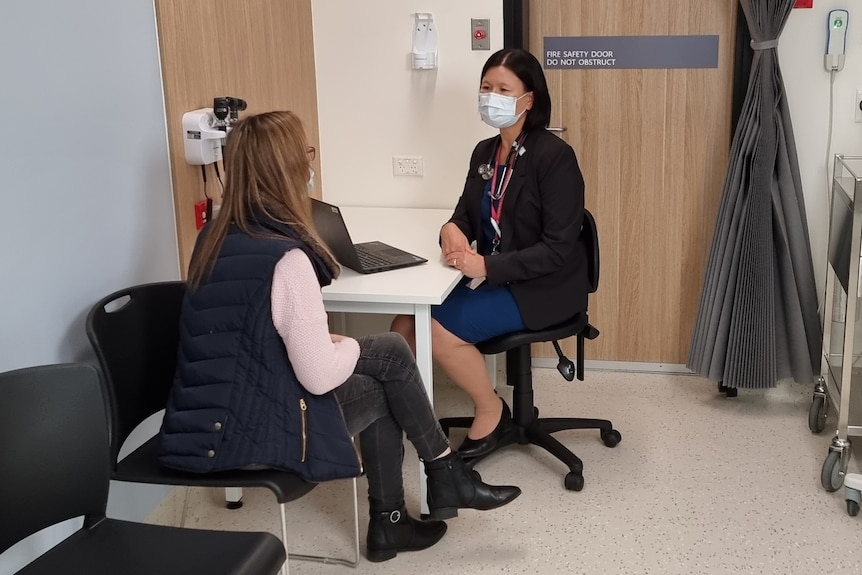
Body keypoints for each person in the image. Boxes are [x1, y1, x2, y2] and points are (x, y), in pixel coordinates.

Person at [157, 111, 521, 562]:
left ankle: (430, 487)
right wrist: (341, 343)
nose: (311, 165)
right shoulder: (286, 259)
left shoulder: (212, 237)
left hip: (202, 421)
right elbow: (318, 377)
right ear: (288, 170)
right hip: (253, 435)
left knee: (389, 354)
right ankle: (422, 495)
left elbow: (251, 341)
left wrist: (327, 342)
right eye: (306, 155)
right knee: (387, 379)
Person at [391, 48, 589, 463]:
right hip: (494, 277)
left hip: (543, 286)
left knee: (436, 332)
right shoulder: (485, 152)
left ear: (528, 99)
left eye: (503, 89)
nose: (491, 96)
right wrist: (450, 229)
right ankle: (406, 420)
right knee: (404, 325)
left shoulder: (555, 157)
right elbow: (466, 214)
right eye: (486, 87)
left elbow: (559, 248)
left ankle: (491, 409)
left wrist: (486, 265)